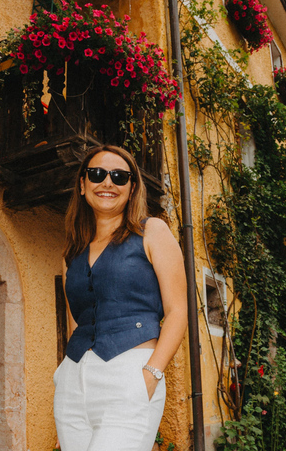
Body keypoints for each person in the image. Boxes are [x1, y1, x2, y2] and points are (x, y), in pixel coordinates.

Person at [53, 145, 188, 451]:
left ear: (132, 187)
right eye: (98, 174)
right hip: (73, 379)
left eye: (119, 176)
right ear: (83, 184)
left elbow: (179, 311)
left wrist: (151, 373)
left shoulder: (152, 232)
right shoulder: (72, 252)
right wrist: (65, 375)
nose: (108, 183)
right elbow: (77, 321)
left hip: (131, 374)